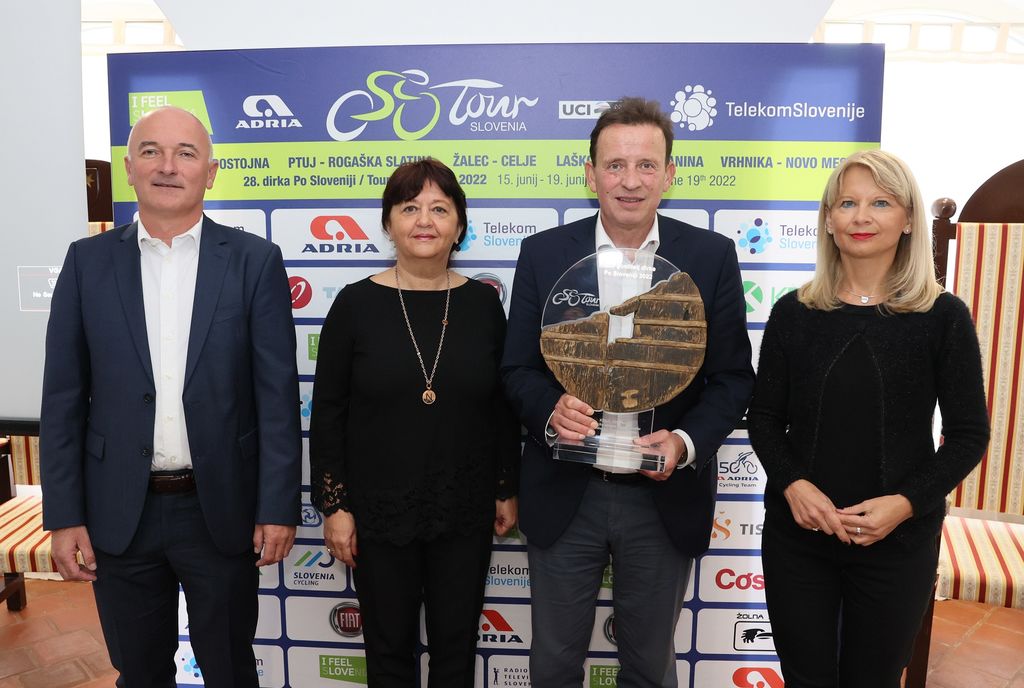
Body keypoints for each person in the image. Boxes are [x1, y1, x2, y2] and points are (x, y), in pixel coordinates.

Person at [40, 106, 301, 687]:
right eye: (151, 151)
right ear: (128, 168)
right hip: (118, 514)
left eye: (186, 153)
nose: (167, 166)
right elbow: (62, 400)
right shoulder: (86, 263)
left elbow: (276, 399)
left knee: (230, 671)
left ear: (211, 171)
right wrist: (65, 515)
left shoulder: (254, 262)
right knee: (138, 673)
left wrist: (277, 506)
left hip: (221, 511)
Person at [501, 97, 754, 687]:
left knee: (649, 666)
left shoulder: (710, 257)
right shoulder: (544, 254)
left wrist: (686, 442)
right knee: (553, 663)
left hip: (660, 500)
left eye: (646, 165)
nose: (631, 181)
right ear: (591, 175)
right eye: (615, 165)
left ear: (669, 174)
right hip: (567, 492)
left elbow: (734, 378)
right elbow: (516, 369)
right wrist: (549, 409)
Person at [747, 150, 990, 687]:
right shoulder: (793, 312)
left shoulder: (943, 317)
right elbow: (763, 417)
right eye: (847, 203)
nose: (861, 217)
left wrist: (904, 505)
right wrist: (793, 486)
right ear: (828, 220)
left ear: (908, 220)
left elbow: (968, 435)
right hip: (798, 541)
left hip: (898, 542)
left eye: (880, 203)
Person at [309, 158, 519, 687]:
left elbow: (501, 409)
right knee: (387, 654)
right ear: (388, 223)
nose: (425, 220)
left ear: (459, 225)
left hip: (464, 507)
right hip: (378, 513)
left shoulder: (483, 305)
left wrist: (505, 488)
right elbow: (328, 413)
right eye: (409, 208)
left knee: (456, 653)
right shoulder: (354, 305)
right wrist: (335, 506)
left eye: (439, 209)